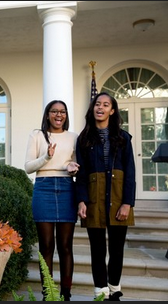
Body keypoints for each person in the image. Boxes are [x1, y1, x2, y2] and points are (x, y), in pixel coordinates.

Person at [76, 92, 136, 301]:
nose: (100, 108)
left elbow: (130, 172)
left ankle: (114, 290)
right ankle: (100, 291)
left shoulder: (123, 138)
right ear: (92, 109)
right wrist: (81, 200)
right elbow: (81, 174)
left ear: (112, 110)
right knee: (97, 249)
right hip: (94, 199)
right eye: (97, 104)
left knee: (117, 249)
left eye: (105, 105)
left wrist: (127, 203)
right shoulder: (83, 139)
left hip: (119, 198)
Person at [24, 100, 79, 301]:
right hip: (44, 187)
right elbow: (28, 167)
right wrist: (46, 157)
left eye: (62, 112)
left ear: (66, 115)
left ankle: (65, 294)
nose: (58, 115)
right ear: (47, 114)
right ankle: (48, 293)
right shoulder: (37, 135)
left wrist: (71, 166)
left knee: (65, 245)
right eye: (54, 111)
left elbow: (72, 162)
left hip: (66, 188)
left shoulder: (74, 137)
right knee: (46, 245)